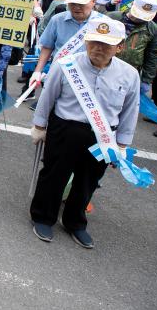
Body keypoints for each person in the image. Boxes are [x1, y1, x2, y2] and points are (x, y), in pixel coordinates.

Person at [30, 18, 140, 249]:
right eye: (94, 42)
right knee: (54, 174)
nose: (98, 48)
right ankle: (43, 217)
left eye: (106, 44)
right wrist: (39, 126)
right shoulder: (66, 65)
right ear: (86, 41)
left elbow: (131, 111)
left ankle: (75, 222)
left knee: (88, 180)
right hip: (65, 128)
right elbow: (48, 97)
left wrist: (122, 144)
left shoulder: (129, 74)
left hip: (102, 136)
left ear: (120, 47)